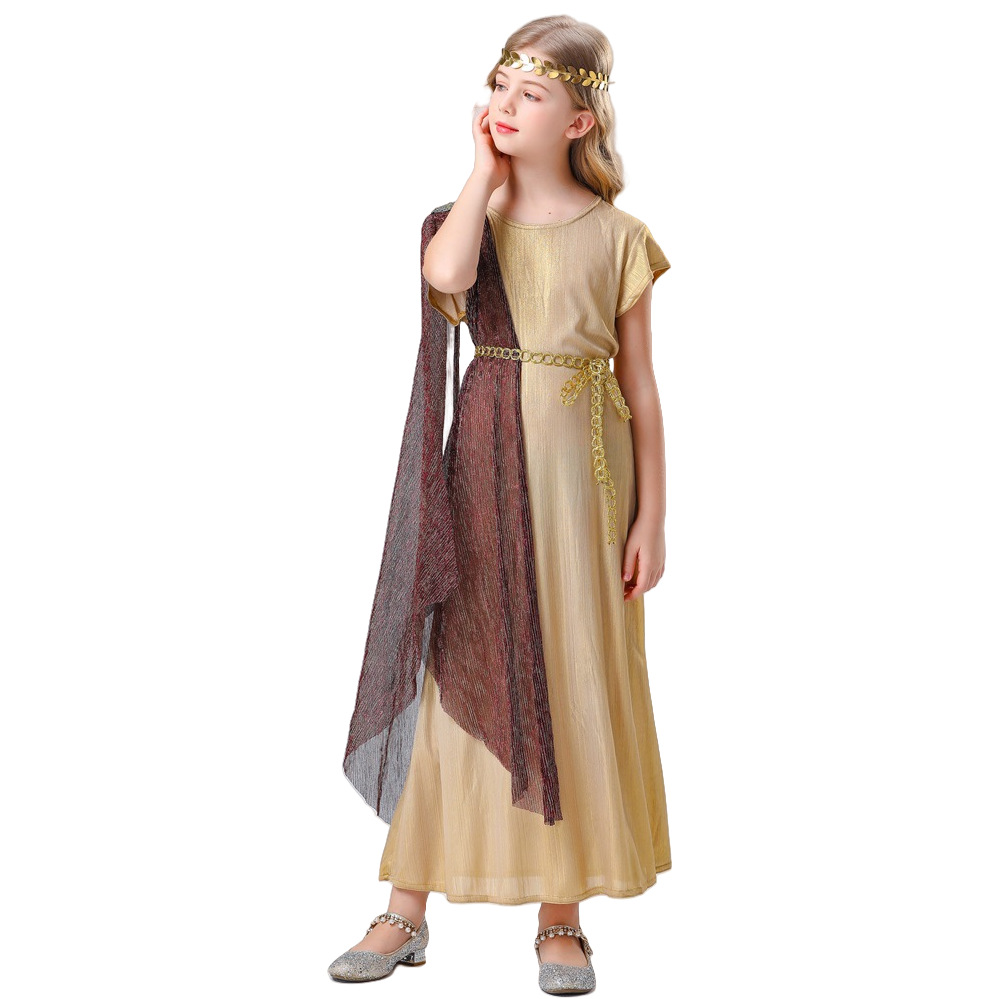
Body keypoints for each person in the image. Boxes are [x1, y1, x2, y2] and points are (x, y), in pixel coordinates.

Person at [329, 15, 673, 994]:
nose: (505, 105)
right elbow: (443, 278)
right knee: (459, 670)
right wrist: (481, 174)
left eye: (530, 94)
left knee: (571, 672)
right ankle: (405, 906)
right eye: (498, 87)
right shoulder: (465, 219)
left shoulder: (620, 236)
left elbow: (642, 387)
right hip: (485, 470)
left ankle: (561, 917)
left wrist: (652, 517)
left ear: (579, 119)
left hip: (590, 486)